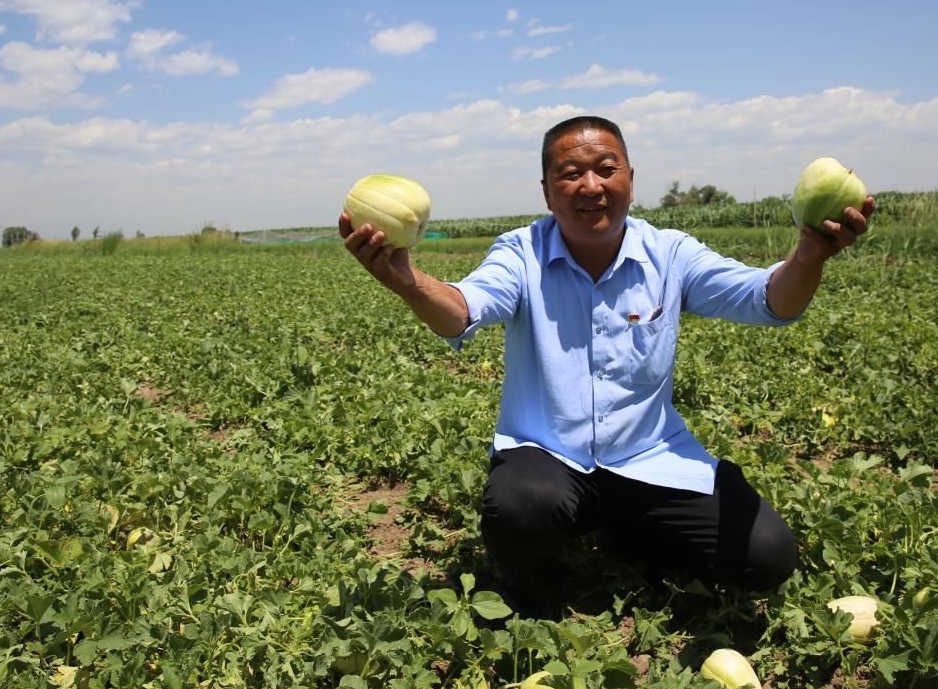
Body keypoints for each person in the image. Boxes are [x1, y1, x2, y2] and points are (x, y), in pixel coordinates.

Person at [339, 115, 873, 612]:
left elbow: (767, 300)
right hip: (548, 457)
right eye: (570, 174)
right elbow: (463, 309)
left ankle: (630, 528)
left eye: (606, 169)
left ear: (630, 181)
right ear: (547, 192)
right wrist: (408, 283)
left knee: (767, 555)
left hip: (647, 458)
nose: (591, 186)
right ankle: (537, 592)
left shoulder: (671, 254)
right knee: (521, 509)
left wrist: (808, 257)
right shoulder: (521, 254)